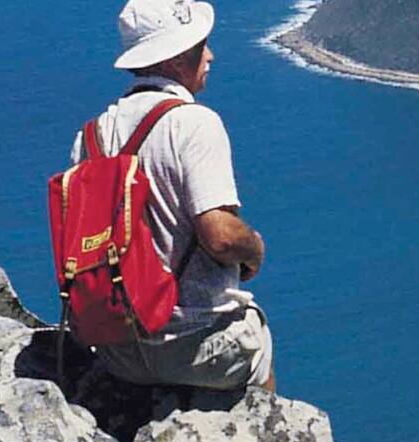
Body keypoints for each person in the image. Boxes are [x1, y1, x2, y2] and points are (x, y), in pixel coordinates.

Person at [72, 0, 274, 392]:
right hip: (192, 342)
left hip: (117, 348)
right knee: (258, 341)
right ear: (177, 59)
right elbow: (221, 236)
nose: (210, 55)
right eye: (201, 46)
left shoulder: (92, 135)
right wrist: (254, 250)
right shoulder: (193, 123)